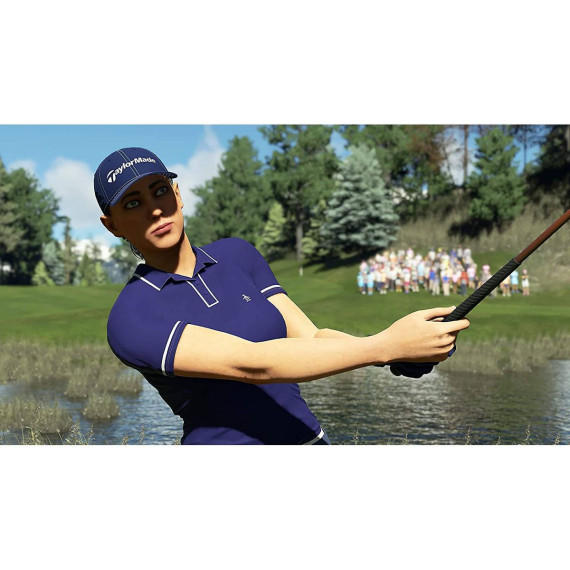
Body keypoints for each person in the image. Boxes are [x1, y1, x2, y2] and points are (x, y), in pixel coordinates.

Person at [94, 147, 469, 445]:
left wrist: (398, 352)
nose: (154, 209)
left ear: (177, 193)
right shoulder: (131, 317)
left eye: (160, 190)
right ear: (112, 225)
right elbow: (253, 365)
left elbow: (312, 338)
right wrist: (385, 346)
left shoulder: (238, 254)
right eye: (132, 203)